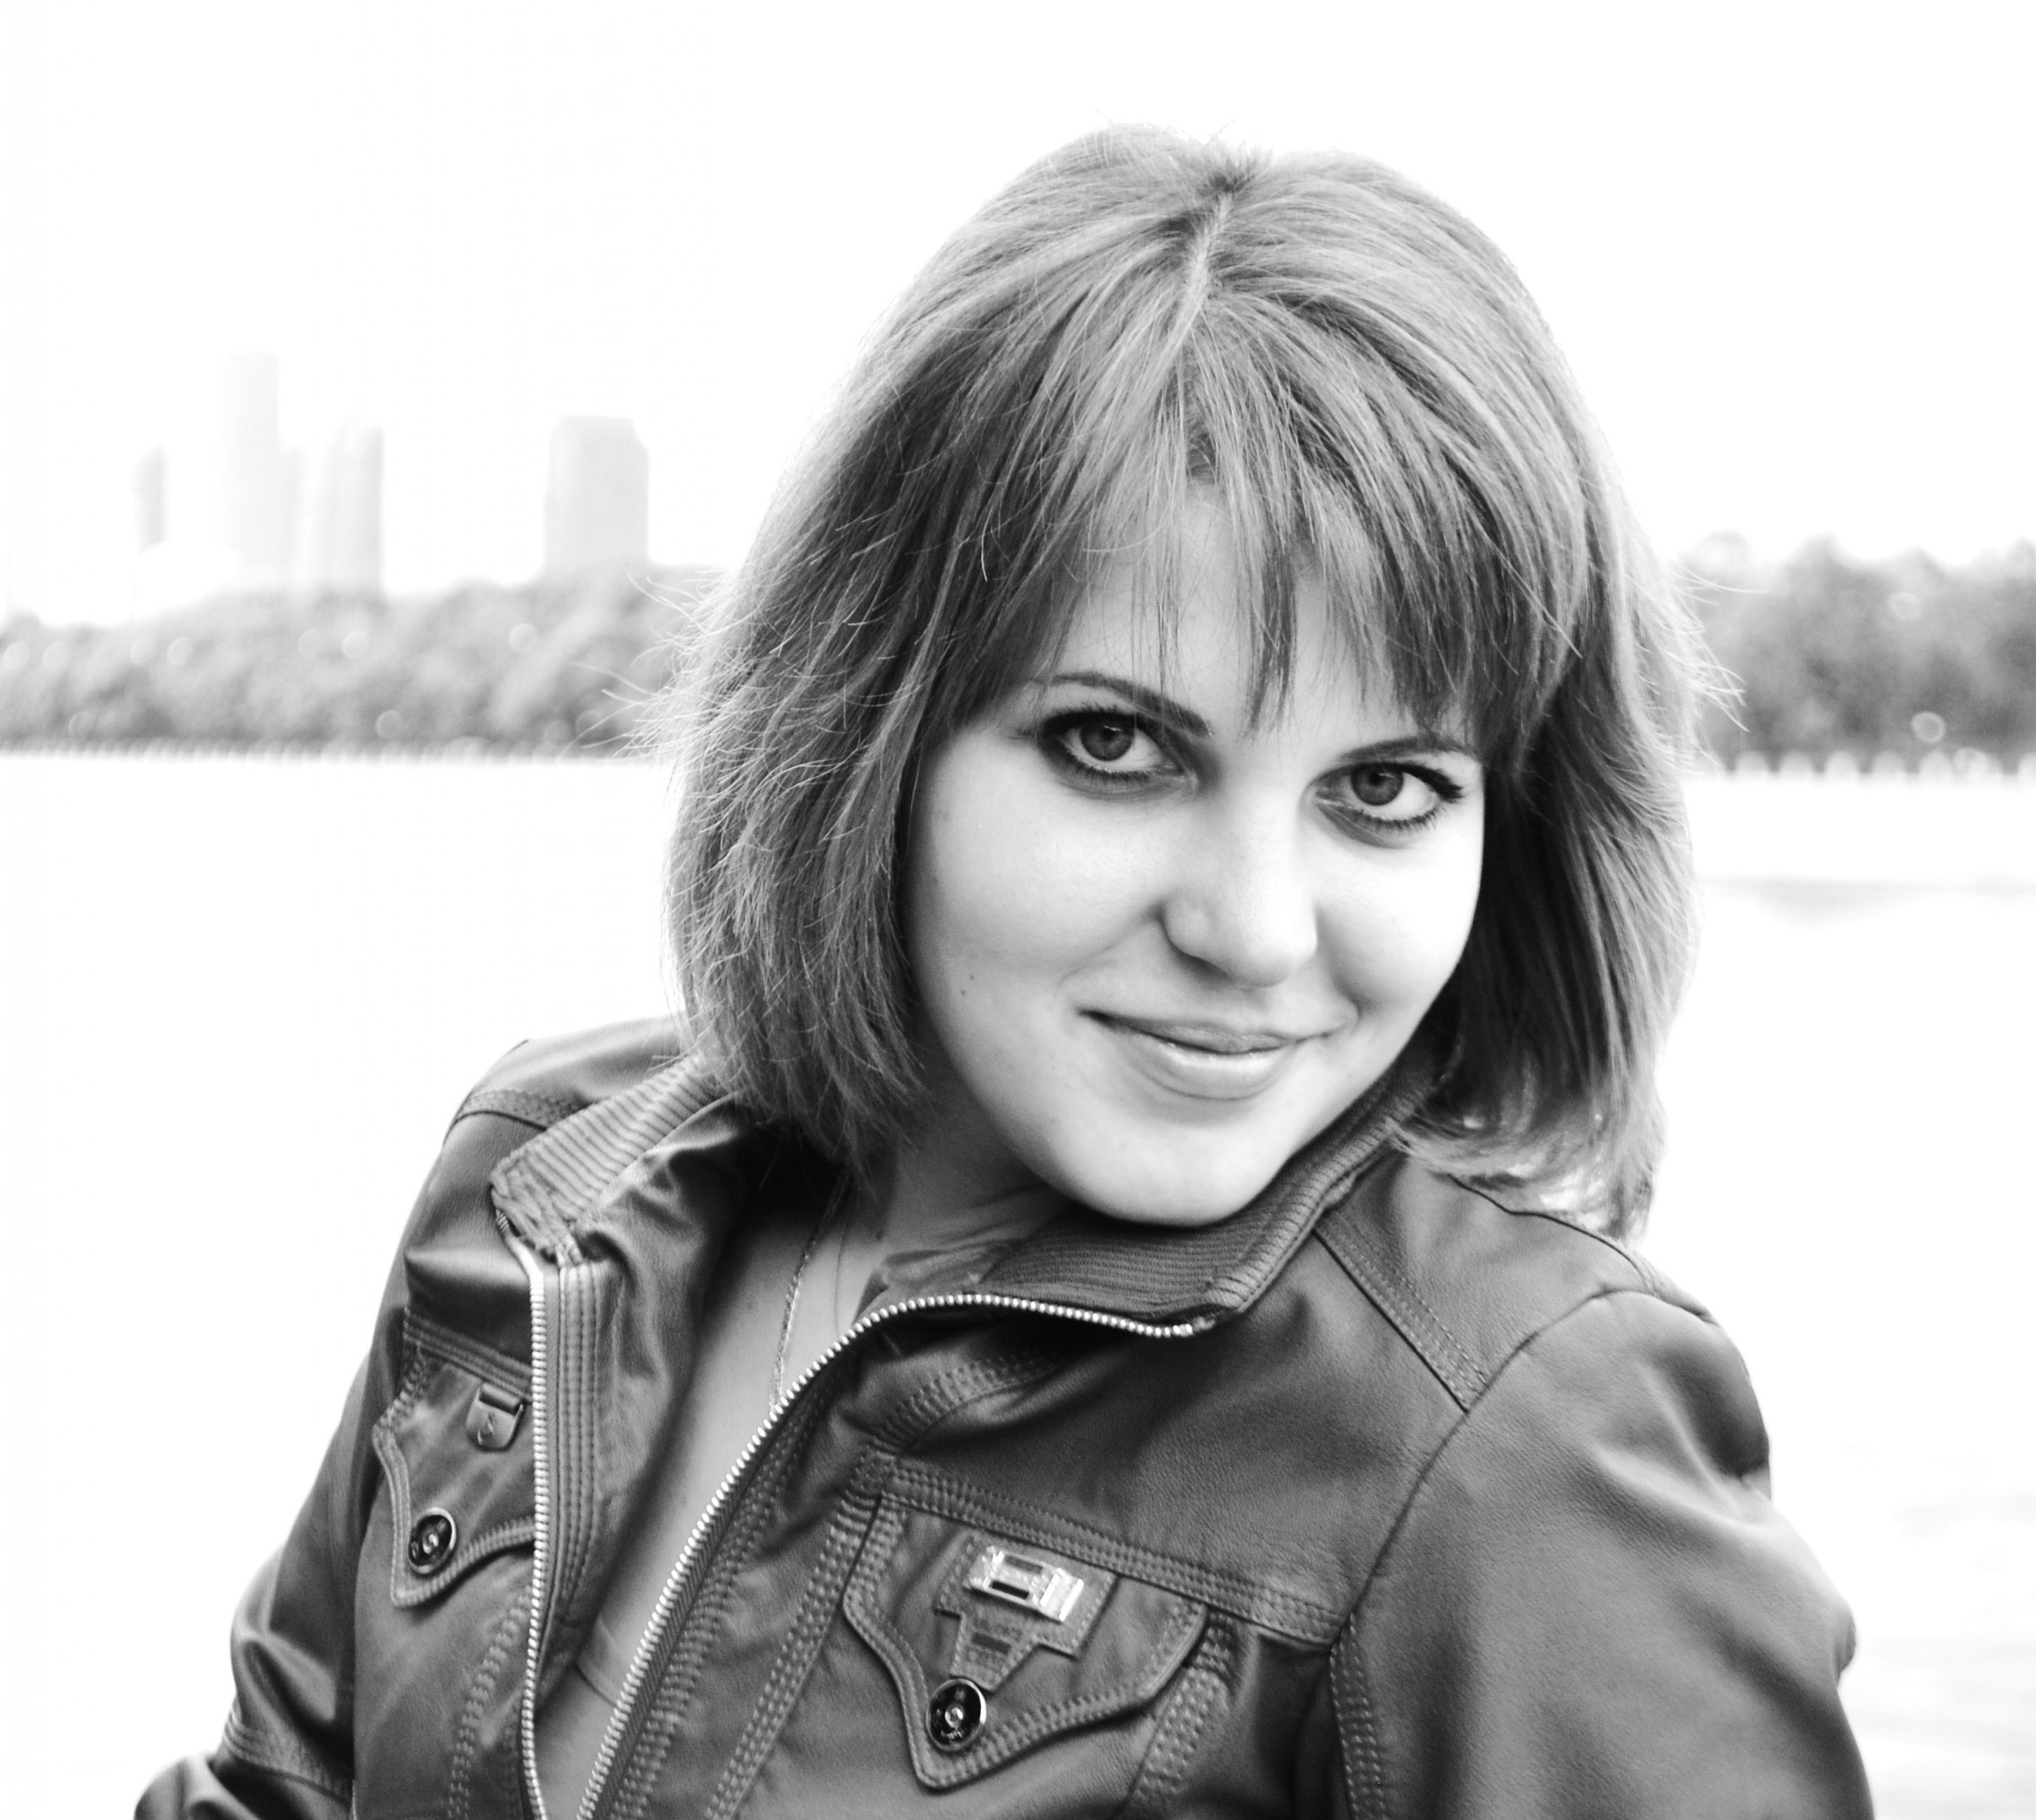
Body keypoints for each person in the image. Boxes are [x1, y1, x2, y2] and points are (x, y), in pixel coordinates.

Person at [140, 129, 1872, 1819]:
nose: (1259, 930)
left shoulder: (1521, 1441)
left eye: (1388, 789)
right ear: (870, 724)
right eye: (1119, 745)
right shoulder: (539, 1180)